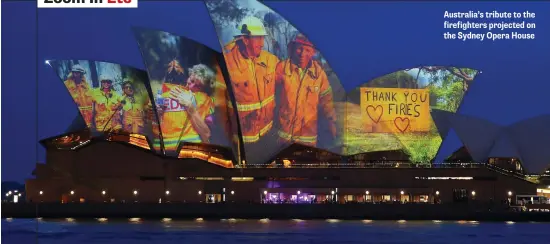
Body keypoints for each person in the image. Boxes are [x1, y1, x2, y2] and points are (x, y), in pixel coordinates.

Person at [223, 16, 280, 165]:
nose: (262, 44)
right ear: (245, 39)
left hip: (267, 135)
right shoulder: (226, 63)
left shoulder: (270, 61)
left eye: (263, 38)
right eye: (258, 38)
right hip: (242, 142)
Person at [274, 33, 337, 147]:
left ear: (313, 52)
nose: (302, 54)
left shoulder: (319, 75)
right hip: (283, 137)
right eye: (299, 49)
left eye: (307, 50)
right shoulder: (281, 68)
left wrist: (331, 123)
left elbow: (327, 102)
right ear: (293, 49)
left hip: (307, 138)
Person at [156, 62, 215, 153]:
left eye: (198, 86)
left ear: (204, 88)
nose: (191, 86)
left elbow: (207, 133)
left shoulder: (203, 100)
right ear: (189, 75)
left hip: (186, 152)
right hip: (166, 151)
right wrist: (157, 114)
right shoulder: (163, 94)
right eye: (191, 81)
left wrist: (190, 106)